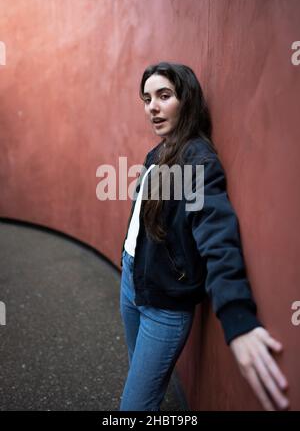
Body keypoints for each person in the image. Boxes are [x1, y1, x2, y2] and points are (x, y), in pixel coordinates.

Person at [119, 62, 289, 411]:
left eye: (164, 96)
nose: (152, 106)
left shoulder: (198, 160)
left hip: (164, 306)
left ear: (187, 100)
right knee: (142, 381)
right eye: (147, 98)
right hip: (131, 280)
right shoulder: (160, 151)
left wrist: (237, 318)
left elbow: (217, 235)